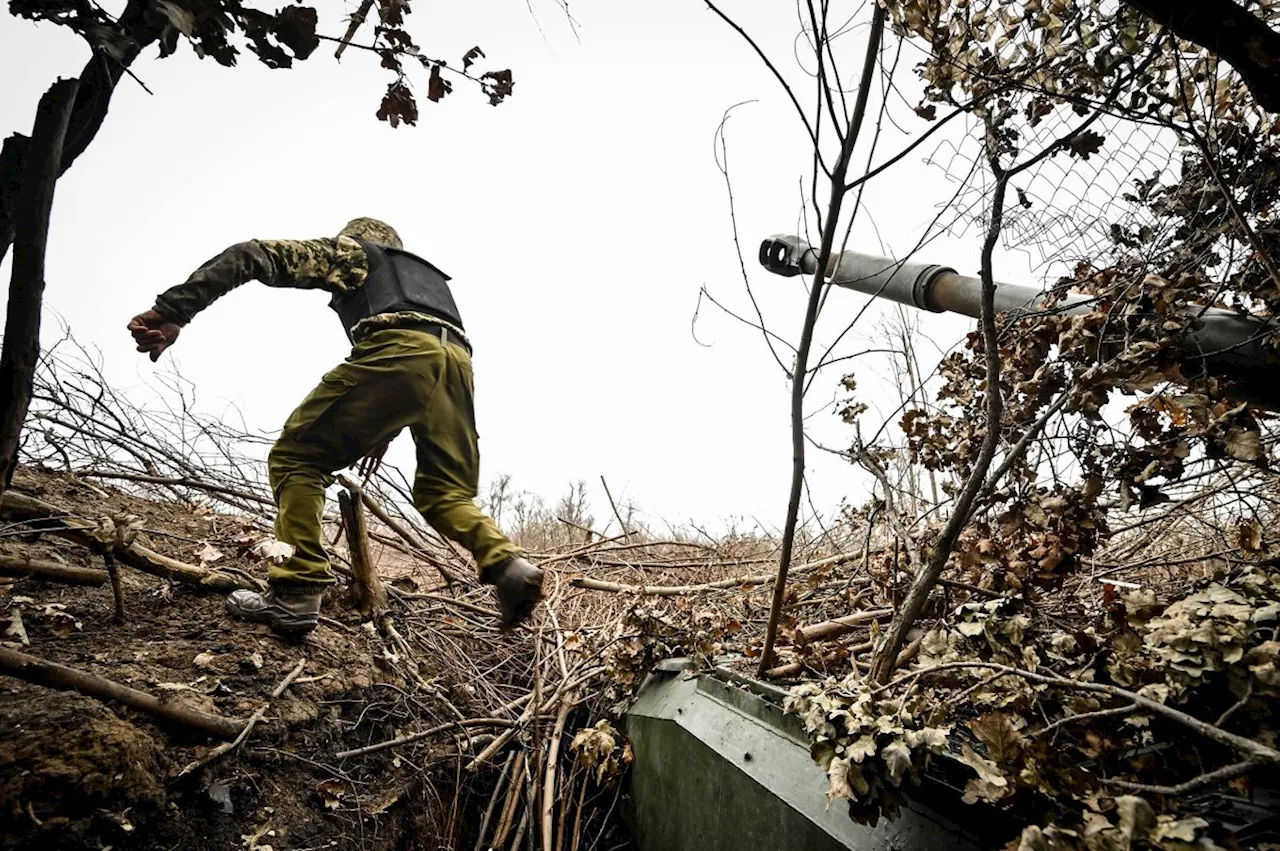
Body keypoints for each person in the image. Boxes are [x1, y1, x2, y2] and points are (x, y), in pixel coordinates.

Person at [127, 217, 543, 636]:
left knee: (297, 460)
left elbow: (250, 256)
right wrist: (384, 426)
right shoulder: (428, 284)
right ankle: (507, 565)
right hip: (457, 364)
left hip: (400, 352)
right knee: (446, 493)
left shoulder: (356, 255)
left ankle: (296, 591)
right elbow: (427, 354)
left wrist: (173, 311)